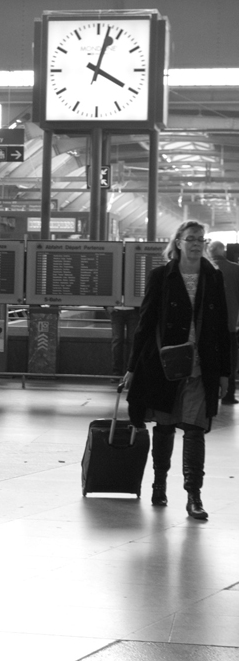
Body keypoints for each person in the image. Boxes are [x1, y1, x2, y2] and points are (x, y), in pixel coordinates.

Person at [122, 220, 230, 520]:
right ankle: (159, 484)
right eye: (190, 238)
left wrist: (224, 373)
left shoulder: (213, 277)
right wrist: (132, 367)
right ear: (178, 242)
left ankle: (194, 495)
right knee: (165, 428)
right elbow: (145, 322)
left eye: (200, 239)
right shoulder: (161, 276)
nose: (196, 244)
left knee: (195, 430)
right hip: (165, 365)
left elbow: (222, 327)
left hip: (200, 366)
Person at [208, 240, 239, 404]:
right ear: (223, 251)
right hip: (230, 323)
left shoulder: (204, 269)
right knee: (230, 360)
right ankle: (228, 394)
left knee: (210, 359)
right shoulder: (235, 269)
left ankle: (210, 393)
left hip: (208, 325)